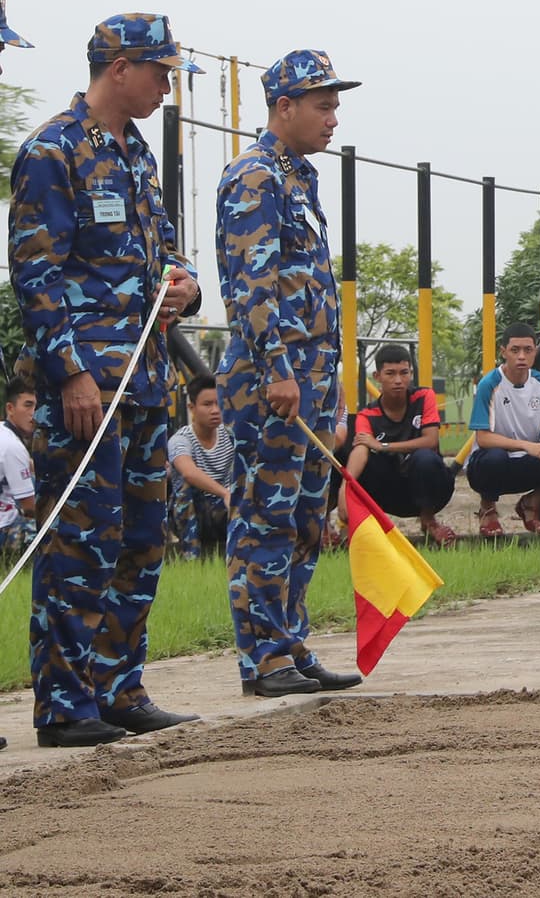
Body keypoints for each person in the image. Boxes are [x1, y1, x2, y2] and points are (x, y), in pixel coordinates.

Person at [11, 12, 204, 747]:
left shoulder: (137, 156)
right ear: (116, 67)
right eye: (158, 72)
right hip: (88, 387)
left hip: (148, 383)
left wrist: (185, 292)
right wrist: (69, 373)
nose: (165, 86)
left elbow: (155, 264)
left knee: (143, 539)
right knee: (80, 543)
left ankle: (119, 688)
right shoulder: (52, 151)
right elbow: (36, 274)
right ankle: (65, 704)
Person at [218, 49, 364, 701]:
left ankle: (291, 643)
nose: (334, 118)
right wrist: (279, 370)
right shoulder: (255, 176)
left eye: (335, 105)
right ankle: (265, 659)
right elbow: (252, 285)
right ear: (284, 107)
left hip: (307, 384)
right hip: (268, 386)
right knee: (266, 520)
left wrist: (326, 389)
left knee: (306, 519)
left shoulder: (300, 176)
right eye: (323, 105)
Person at [465, 324, 540, 537]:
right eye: (515, 350)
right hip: (490, 465)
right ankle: (488, 509)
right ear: (503, 351)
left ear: (535, 352)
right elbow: (483, 438)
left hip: (529, 460)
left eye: (528, 350)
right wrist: (526, 445)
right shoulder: (490, 384)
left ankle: (532, 503)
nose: (521, 356)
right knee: (494, 458)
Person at [344, 345, 456, 545]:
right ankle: (369, 528)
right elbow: (361, 448)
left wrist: (383, 446)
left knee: (425, 457)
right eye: (390, 374)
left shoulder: (424, 397)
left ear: (411, 374)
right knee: (358, 461)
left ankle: (428, 521)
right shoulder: (367, 415)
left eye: (404, 373)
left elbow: (431, 440)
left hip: (431, 487)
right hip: (392, 492)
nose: (398, 380)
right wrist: (346, 486)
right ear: (377, 376)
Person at [165, 375, 238, 559]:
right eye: (207, 405)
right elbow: (188, 473)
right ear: (192, 408)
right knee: (185, 486)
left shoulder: (231, 434)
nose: (215, 410)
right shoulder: (180, 440)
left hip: (225, 510)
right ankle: (191, 557)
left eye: (218, 403)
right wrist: (225, 493)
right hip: (194, 511)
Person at [0, 377, 38, 554]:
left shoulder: (3, 432)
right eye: (27, 405)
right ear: (10, 408)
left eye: (37, 407)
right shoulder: (13, 447)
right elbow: (29, 507)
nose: (34, 413)